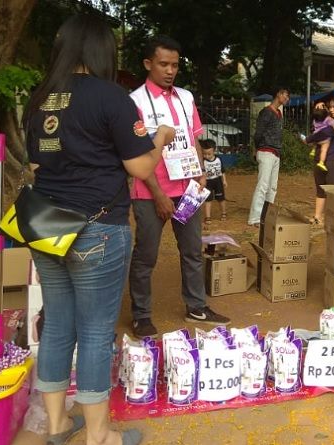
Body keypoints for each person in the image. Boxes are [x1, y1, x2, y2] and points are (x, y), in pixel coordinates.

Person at [23, 15, 163, 445]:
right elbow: (139, 166)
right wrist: (160, 140)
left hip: (47, 227)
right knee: (97, 331)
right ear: (103, 51)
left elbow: (34, 164)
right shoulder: (112, 98)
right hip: (97, 227)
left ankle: (59, 424)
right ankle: (100, 435)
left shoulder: (39, 99)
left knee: (59, 324)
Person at [127, 35, 230, 338]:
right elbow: (135, 154)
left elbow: (195, 137)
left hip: (186, 190)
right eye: (163, 64)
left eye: (174, 65)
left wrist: (199, 175)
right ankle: (141, 315)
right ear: (148, 64)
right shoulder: (135, 102)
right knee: (146, 255)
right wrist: (158, 194)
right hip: (149, 192)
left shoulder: (185, 97)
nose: (170, 70)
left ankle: (196, 306)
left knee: (192, 251)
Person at [247, 87, 290, 227]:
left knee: (272, 187)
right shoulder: (266, 112)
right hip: (266, 151)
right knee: (263, 185)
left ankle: (266, 215)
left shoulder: (278, 113)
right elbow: (258, 132)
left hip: (276, 152)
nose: (287, 99)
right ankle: (254, 218)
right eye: (286, 95)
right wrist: (257, 148)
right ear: (278, 94)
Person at [304, 97, 334, 225]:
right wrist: (318, 110)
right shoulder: (326, 120)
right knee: (320, 189)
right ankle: (317, 217)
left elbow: (325, 133)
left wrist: (308, 139)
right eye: (330, 107)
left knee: (333, 190)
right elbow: (316, 127)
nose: (332, 110)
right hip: (320, 158)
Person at [308, 103, 334, 171]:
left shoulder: (315, 120)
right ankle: (321, 162)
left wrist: (318, 109)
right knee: (324, 149)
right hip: (324, 138)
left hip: (316, 136)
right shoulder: (328, 119)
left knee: (316, 139)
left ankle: (313, 150)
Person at [201, 139, 227, 225]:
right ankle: (207, 217)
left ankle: (224, 213)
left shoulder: (219, 159)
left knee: (221, 199)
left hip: (218, 181)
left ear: (214, 151)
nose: (207, 156)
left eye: (209, 154)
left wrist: (224, 180)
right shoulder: (203, 161)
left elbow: (222, 171)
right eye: (205, 154)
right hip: (207, 182)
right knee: (208, 200)